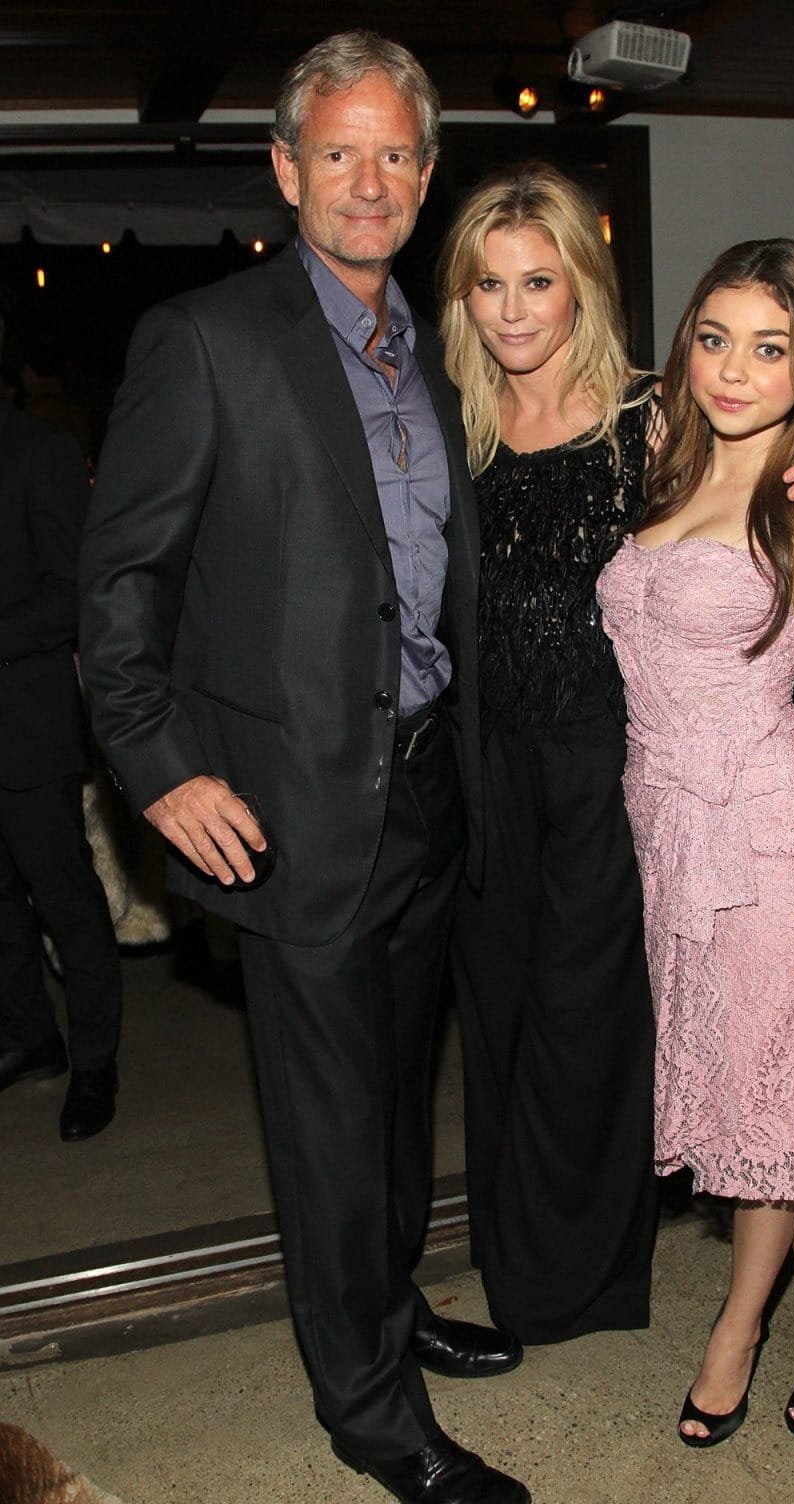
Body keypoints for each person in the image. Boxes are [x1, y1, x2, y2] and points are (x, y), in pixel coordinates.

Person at [79, 31, 528, 1504]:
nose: (368, 180)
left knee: (397, 1102)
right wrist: (159, 770)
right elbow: (120, 589)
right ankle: (370, 1410)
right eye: (338, 151)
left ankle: (387, 1310)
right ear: (286, 169)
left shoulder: (444, 346)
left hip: (429, 789)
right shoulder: (205, 339)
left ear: (426, 173)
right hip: (290, 808)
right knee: (331, 1129)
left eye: (395, 152)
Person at [438, 166, 794, 1346]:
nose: (514, 308)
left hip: (615, 771)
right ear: (462, 298)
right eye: (489, 283)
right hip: (486, 769)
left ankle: (589, 1284)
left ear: (582, 286)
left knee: (595, 1031)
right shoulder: (447, 423)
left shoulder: (651, 416)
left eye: (539, 280)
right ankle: (520, 1271)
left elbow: (757, 470)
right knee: (498, 1023)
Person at [597, 239, 794, 1448]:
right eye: (713, 339)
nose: (733, 369)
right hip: (668, 844)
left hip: (767, 850)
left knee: (761, 1113)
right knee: (770, 1102)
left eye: (769, 349)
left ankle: (737, 1332)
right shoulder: (661, 464)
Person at [0, 395, 121, 1141]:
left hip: (26, 726)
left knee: (65, 899)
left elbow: (73, 595)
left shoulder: (37, 450)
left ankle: (96, 1064)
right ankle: (29, 1038)